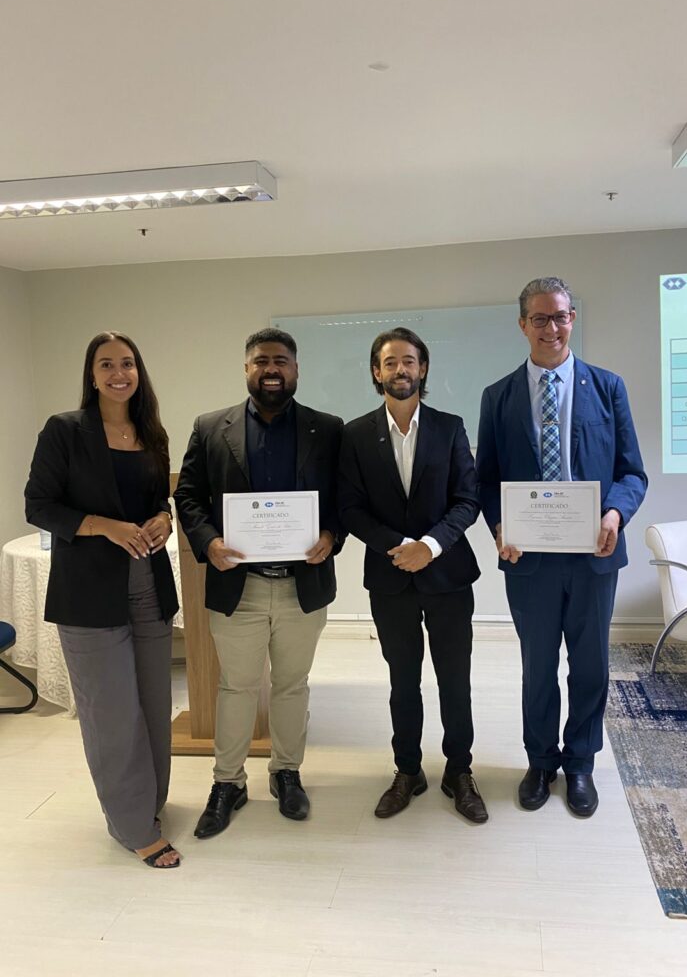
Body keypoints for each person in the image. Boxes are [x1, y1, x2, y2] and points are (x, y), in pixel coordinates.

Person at [476, 278, 647, 817]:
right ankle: (540, 761)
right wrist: (499, 525)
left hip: (594, 556)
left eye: (561, 317)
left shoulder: (608, 387)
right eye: (540, 318)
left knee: (591, 665)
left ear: (572, 318)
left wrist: (614, 513)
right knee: (538, 667)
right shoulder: (498, 396)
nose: (552, 328)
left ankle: (580, 763)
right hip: (529, 561)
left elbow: (632, 472)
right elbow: (487, 479)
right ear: (522, 324)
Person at [174, 328, 343, 835]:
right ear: (247, 369)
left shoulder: (327, 429)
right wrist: (208, 542)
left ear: (296, 369)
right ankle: (228, 782)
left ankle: (286, 773)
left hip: (302, 585)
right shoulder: (210, 427)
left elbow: (345, 497)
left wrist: (332, 534)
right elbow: (188, 495)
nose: (272, 369)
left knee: (292, 685)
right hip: (238, 586)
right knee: (236, 686)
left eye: (281, 361)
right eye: (262, 361)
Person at [25, 331, 180, 868]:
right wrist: (103, 526)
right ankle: (134, 827)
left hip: (148, 585)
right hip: (89, 592)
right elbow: (39, 506)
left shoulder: (152, 432)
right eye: (107, 364)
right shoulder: (64, 431)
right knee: (112, 714)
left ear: (139, 372)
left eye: (128, 363)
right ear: (92, 376)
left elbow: (158, 500)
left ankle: (149, 804)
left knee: (154, 706)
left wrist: (163, 518)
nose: (119, 373)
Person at [338, 327, 488, 823]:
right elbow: (349, 507)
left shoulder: (450, 427)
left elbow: (468, 499)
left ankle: (459, 771)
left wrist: (430, 546)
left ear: (422, 368)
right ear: (376, 372)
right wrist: (397, 547)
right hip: (390, 579)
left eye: (409, 361)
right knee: (403, 682)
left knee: (455, 681)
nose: (400, 369)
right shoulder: (355, 434)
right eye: (390, 362)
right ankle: (408, 771)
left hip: (448, 577)